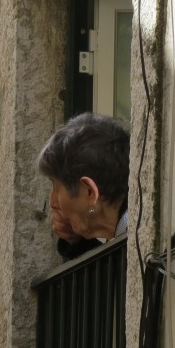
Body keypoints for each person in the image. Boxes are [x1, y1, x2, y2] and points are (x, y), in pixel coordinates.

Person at [37, 112, 130, 261]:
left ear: (90, 192)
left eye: (56, 187)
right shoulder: (126, 231)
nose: (52, 203)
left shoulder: (140, 237)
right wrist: (77, 243)